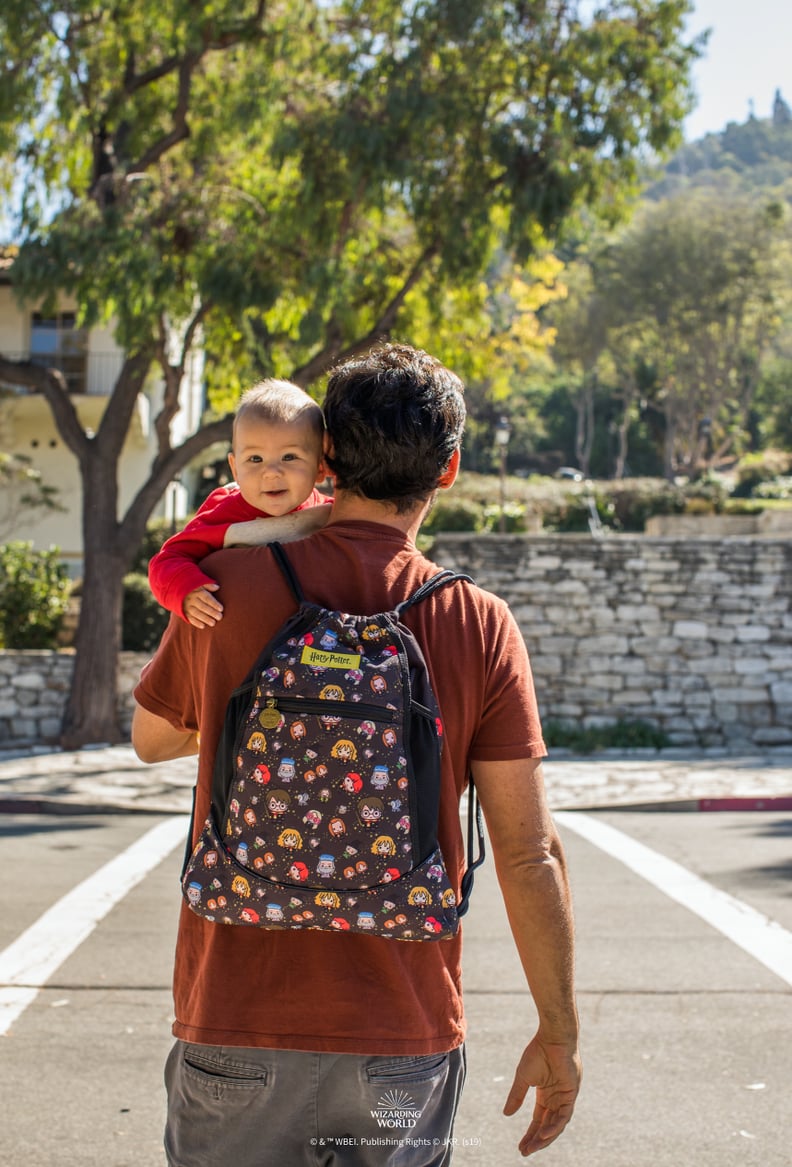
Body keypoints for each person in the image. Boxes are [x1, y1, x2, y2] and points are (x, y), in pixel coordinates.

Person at [132, 343, 581, 1166]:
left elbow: (151, 738)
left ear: (327, 456)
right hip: (400, 1035)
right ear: (448, 471)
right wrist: (559, 1033)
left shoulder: (228, 581)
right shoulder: (476, 620)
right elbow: (527, 851)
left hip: (234, 1017)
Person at [148, 378, 332, 628]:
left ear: (320, 467)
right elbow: (167, 559)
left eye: (289, 457)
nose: (271, 473)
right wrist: (186, 589)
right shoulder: (225, 513)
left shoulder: (329, 514)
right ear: (235, 469)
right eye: (255, 459)